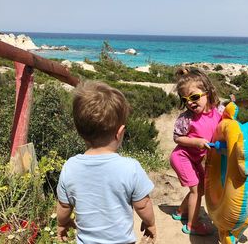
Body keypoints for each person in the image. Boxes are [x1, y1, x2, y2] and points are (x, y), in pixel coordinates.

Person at [56, 80, 156, 244]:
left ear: (79, 131)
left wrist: (62, 223)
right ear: (120, 132)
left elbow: (64, 206)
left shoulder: (70, 167)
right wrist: (150, 223)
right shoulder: (130, 167)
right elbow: (143, 204)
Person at [170, 67, 226, 236]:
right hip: (182, 157)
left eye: (194, 97)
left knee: (200, 189)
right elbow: (177, 138)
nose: (190, 103)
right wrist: (196, 142)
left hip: (194, 159)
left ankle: (180, 212)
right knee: (196, 191)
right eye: (185, 99)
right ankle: (192, 225)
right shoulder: (186, 118)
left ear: (208, 92)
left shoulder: (218, 111)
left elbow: (228, 123)